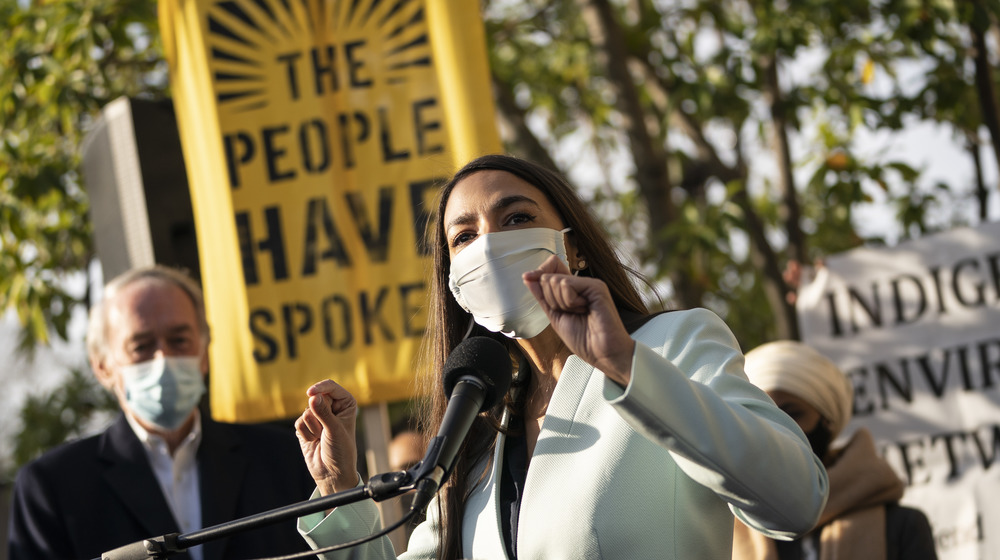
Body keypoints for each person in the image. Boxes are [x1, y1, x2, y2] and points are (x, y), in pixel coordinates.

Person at [294, 154, 830, 559]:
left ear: (571, 246)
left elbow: (796, 498)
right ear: (452, 279)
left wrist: (625, 366)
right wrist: (340, 492)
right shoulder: (475, 425)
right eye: (463, 236)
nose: (488, 245)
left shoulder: (673, 343)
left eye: (515, 217)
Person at [7, 266, 315, 560]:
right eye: (141, 346)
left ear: (204, 354)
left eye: (179, 340)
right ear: (102, 366)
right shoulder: (52, 489)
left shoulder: (284, 459)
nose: (163, 358)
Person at [735, 340, 937, 560]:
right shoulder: (720, 532)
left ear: (827, 422)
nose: (776, 429)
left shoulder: (901, 527)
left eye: (792, 414)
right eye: (760, 416)